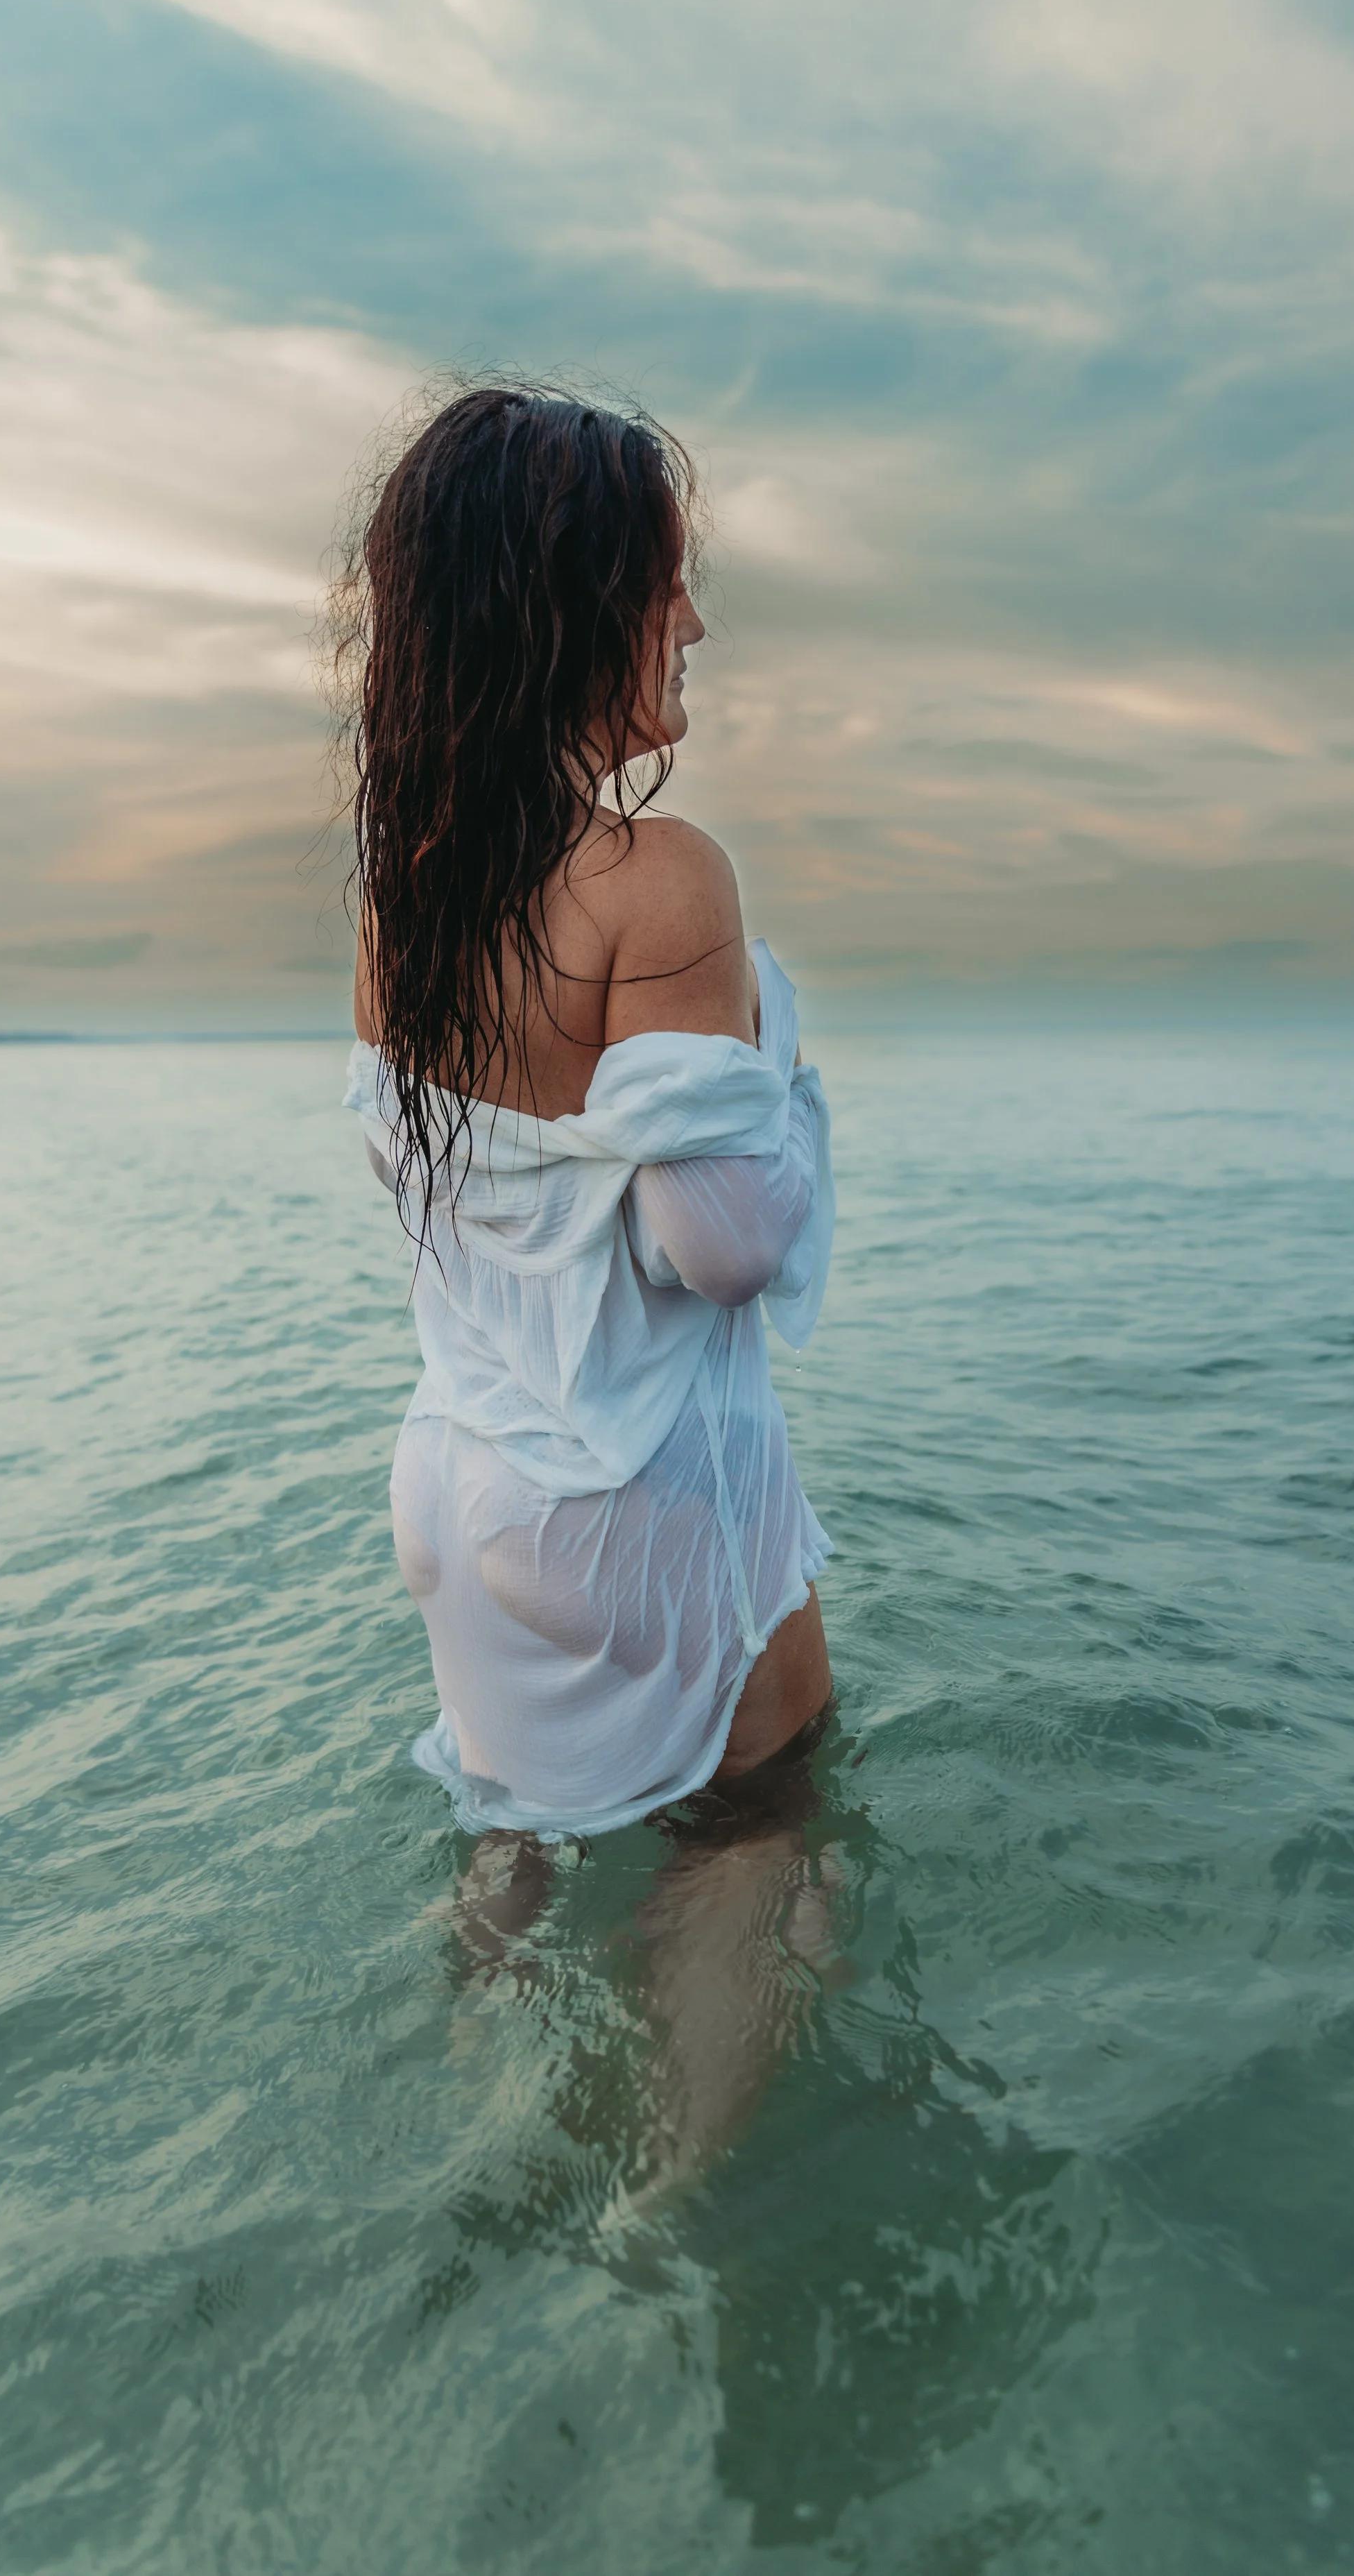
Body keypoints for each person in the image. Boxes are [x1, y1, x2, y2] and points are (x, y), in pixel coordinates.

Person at [338, 384, 835, 1839]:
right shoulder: (657, 875)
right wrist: (780, 1053)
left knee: (505, 1887)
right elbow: (722, 1239)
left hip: (455, 1486)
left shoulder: (401, 908)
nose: (691, 623)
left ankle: (482, 2077)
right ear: (571, 607)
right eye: (665, 581)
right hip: (638, 1504)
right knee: (764, 1849)